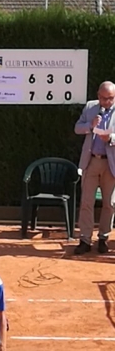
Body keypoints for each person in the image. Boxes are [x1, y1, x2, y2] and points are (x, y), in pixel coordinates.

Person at [74, 81, 115, 254]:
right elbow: (77, 128)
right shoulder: (90, 107)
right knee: (86, 202)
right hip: (91, 161)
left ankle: (103, 238)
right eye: (104, 98)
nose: (107, 102)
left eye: (111, 98)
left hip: (111, 162)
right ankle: (85, 239)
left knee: (109, 203)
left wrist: (111, 138)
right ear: (98, 96)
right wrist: (90, 126)